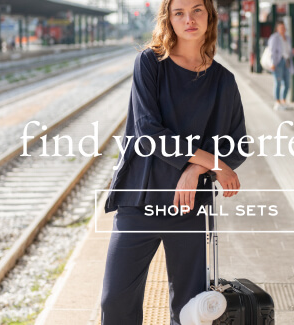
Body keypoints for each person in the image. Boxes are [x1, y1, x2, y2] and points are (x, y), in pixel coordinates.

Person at [100, 0, 249, 324]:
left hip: (189, 207)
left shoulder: (223, 81)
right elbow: (148, 132)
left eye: (197, 10)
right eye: (179, 12)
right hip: (140, 200)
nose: (189, 19)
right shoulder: (150, 64)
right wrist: (214, 164)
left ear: (209, 17)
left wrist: (196, 169)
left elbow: (238, 145)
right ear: (168, 19)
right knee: (115, 301)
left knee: (189, 310)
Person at [268, 20, 294, 110]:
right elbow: (271, 51)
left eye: (284, 28)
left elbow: (288, 52)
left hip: (287, 61)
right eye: (281, 28)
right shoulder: (274, 38)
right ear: (277, 29)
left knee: (287, 83)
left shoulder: (288, 38)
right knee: (278, 82)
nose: (283, 29)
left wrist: (293, 52)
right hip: (278, 63)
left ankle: (283, 101)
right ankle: (277, 102)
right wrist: (272, 63)